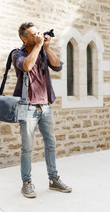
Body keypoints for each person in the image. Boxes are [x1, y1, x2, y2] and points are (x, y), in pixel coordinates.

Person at [12, 22, 72, 198]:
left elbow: (58, 66)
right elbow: (27, 67)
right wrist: (38, 46)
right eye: (34, 34)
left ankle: (54, 179)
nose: (38, 35)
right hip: (28, 107)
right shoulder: (18, 53)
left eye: (38, 32)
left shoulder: (43, 52)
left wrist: (46, 47)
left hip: (45, 107)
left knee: (51, 144)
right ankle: (27, 183)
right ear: (25, 39)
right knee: (27, 147)